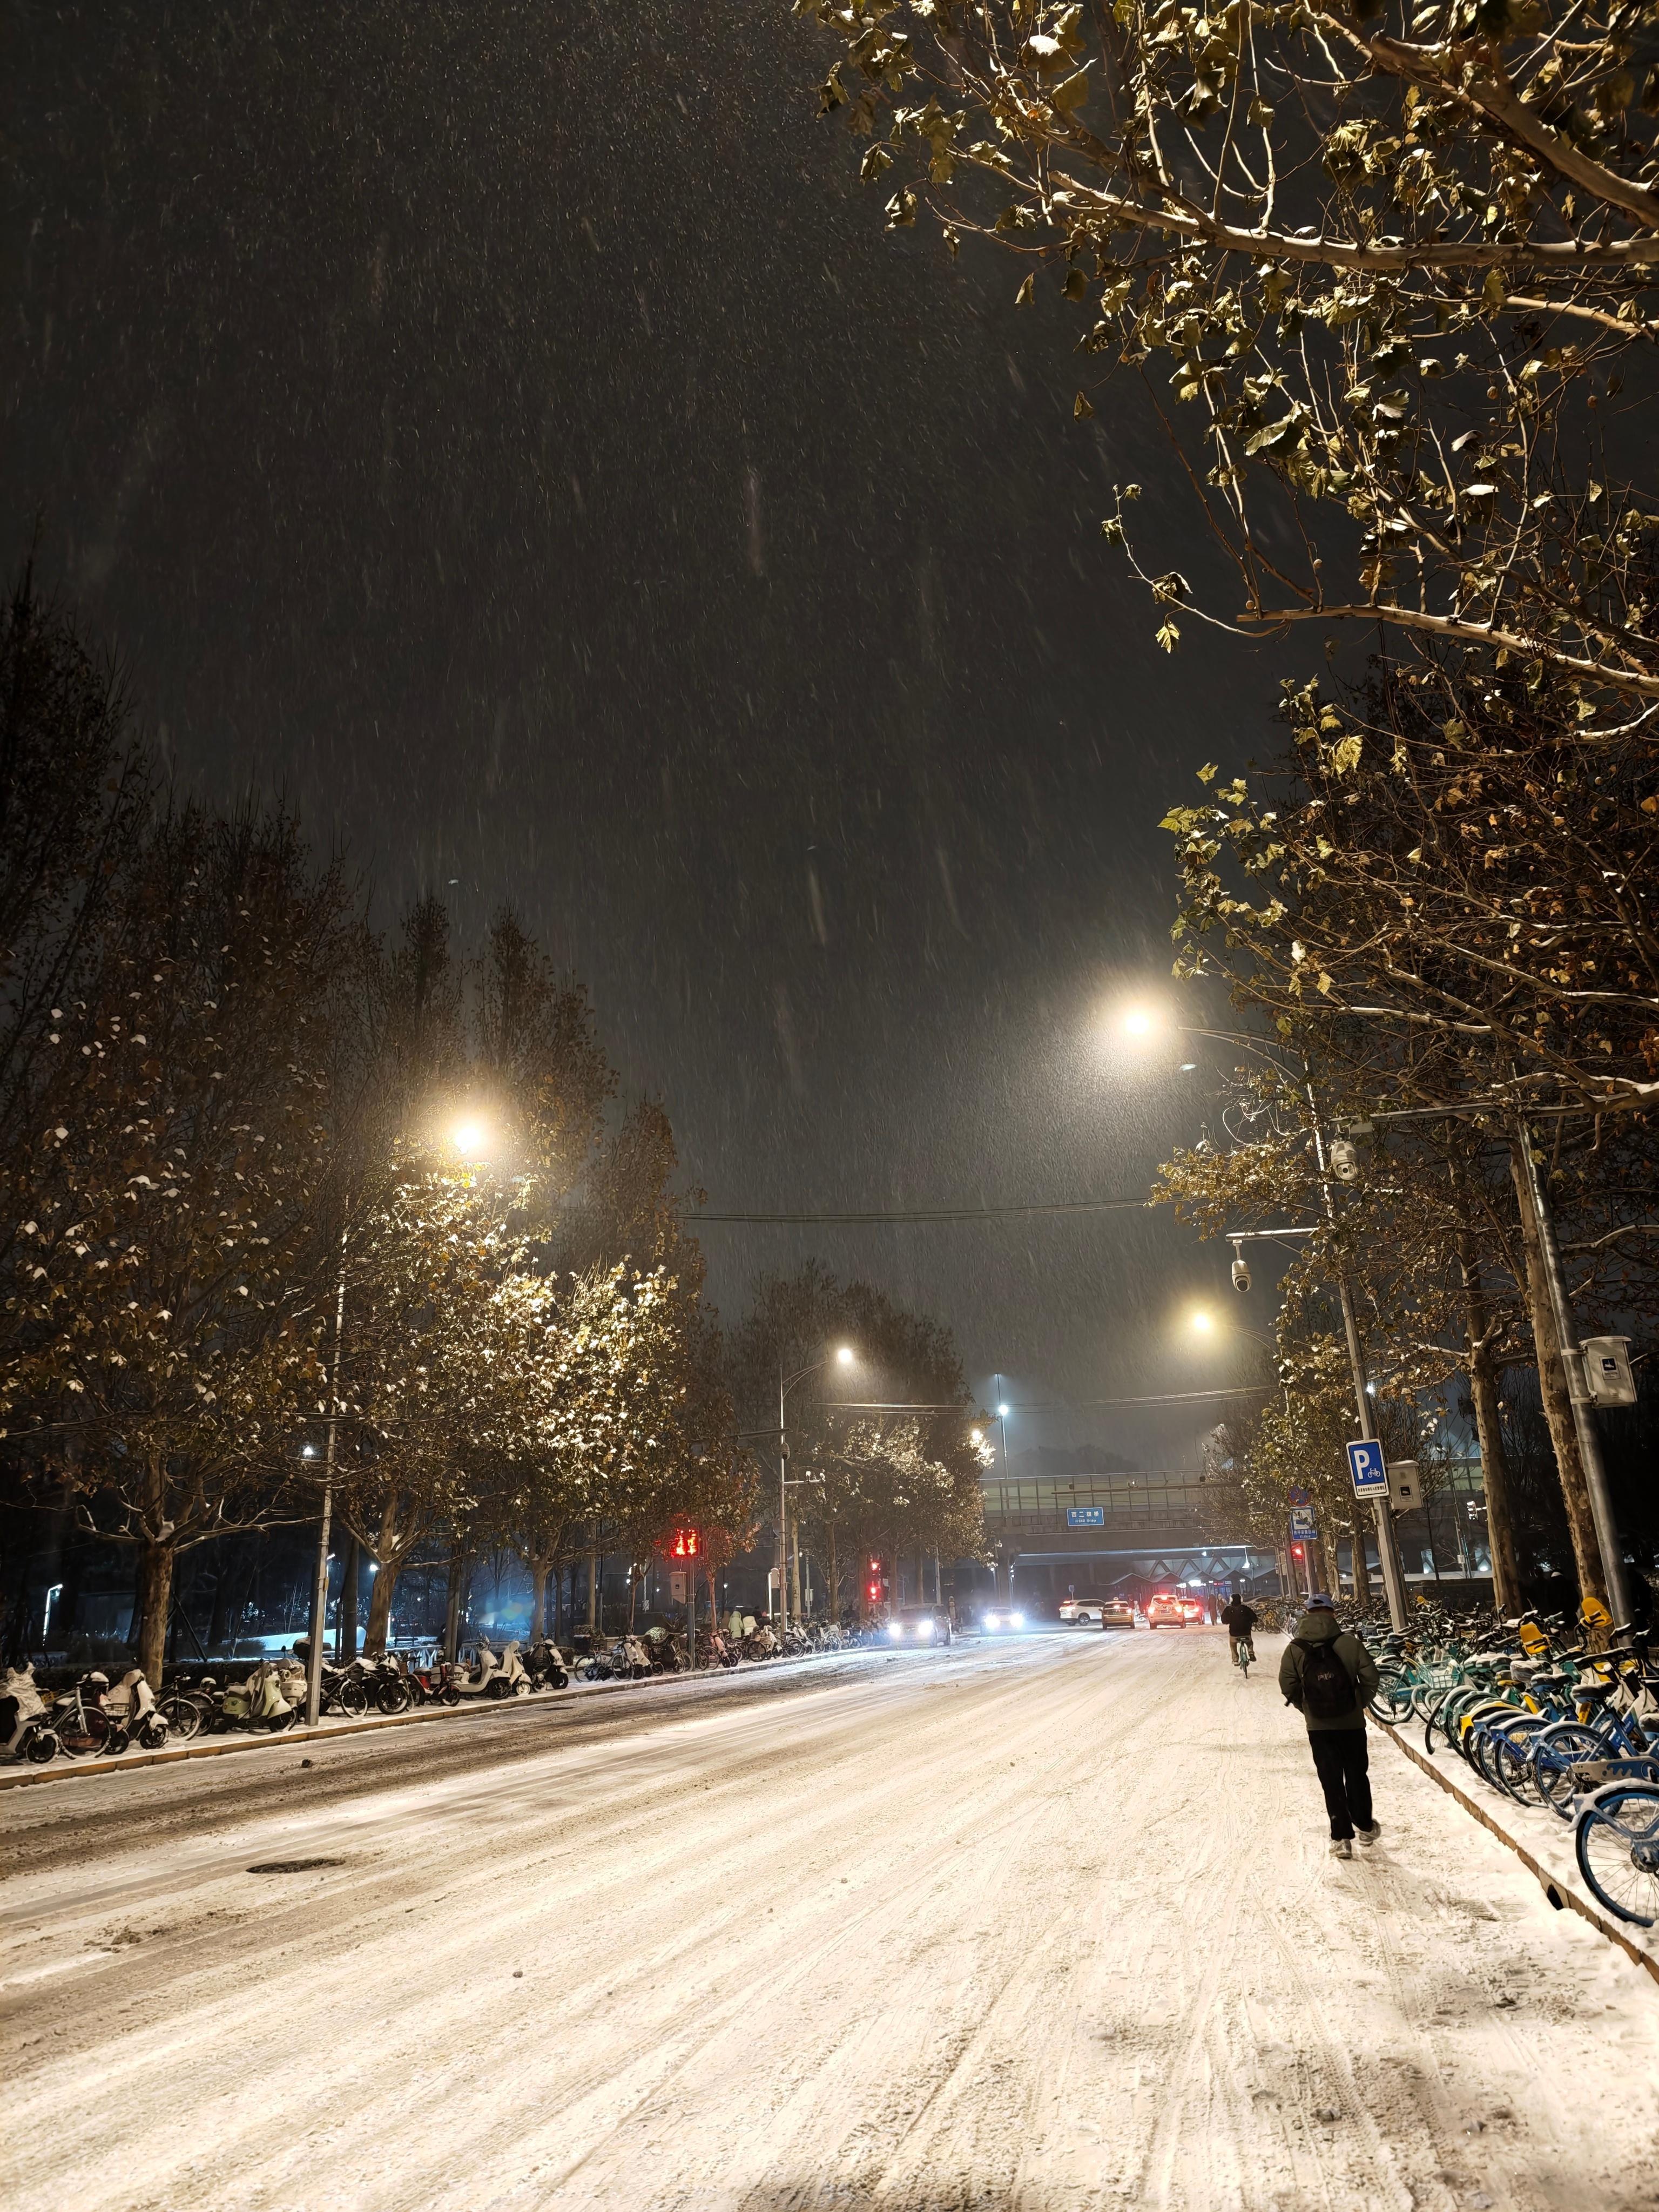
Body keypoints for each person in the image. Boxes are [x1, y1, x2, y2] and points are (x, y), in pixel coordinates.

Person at [1278, 1591, 1381, 1859]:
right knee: (1357, 1774)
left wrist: (1308, 1709)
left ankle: (1341, 1838)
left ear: (1307, 1614)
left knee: (1331, 1780)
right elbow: (1371, 1677)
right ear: (1333, 1613)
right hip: (1352, 1724)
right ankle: (1365, 1825)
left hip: (1319, 1728)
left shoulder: (1295, 1648)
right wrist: (1359, 1702)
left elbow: (1287, 1685)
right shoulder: (1350, 1643)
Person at [1220, 1592, 1257, 1667]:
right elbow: (1255, 1618)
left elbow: (1224, 1621)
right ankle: (1250, 1652)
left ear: (1231, 1600)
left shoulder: (1228, 1609)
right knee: (1250, 1643)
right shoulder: (1246, 1608)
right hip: (1246, 1633)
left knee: (1233, 1645)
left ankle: (1235, 1660)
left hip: (1234, 1634)